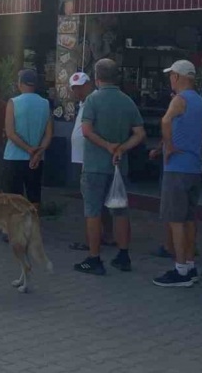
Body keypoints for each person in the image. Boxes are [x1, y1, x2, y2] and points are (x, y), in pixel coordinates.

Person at [74, 59, 146, 276]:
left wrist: (107, 146)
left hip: (95, 166)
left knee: (93, 212)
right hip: (118, 167)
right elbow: (140, 133)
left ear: (97, 76)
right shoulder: (127, 101)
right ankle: (123, 256)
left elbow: (86, 130)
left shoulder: (92, 100)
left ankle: (94, 258)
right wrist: (121, 148)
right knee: (121, 211)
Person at [153, 60, 202, 287]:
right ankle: (190, 265)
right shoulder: (198, 100)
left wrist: (168, 146)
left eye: (171, 75)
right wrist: (197, 139)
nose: (170, 79)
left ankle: (180, 270)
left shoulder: (179, 100)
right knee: (189, 218)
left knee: (175, 219)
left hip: (177, 167)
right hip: (194, 167)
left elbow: (165, 120)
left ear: (178, 77)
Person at [66, 72, 115, 251]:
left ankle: (93, 241)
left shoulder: (94, 101)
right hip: (83, 158)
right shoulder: (85, 103)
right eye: (75, 88)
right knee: (96, 200)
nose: (78, 91)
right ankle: (105, 235)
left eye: (81, 86)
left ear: (90, 84)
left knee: (93, 202)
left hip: (91, 158)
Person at [3, 69, 53, 209]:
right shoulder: (45, 103)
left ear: (20, 83)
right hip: (37, 159)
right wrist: (38, 153)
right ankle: (33, 227)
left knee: (13, 199)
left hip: (14, 156)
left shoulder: (13, 102)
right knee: (34, 196)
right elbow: (48, 134)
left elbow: (10, 133)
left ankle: (14, 229)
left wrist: (28, 149)